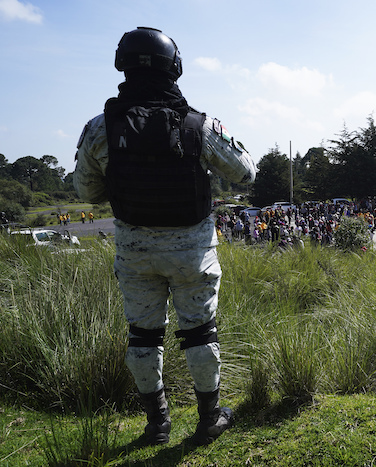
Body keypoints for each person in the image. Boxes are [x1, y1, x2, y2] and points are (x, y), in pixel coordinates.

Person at [73, 27, 257, 445]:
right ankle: (209, 418)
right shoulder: (199, 125)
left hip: (134, 248)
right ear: (174, 68)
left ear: (122, 64)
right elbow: (246, 172)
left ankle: (156, 423)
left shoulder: (100, 127)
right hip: (192, 248)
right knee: (199, 332)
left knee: (143, 335)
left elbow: (86, 191)